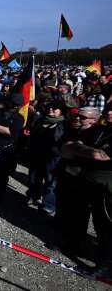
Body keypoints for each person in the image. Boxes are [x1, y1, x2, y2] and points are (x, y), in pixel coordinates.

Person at [59, 107, 112, 278]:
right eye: (109, 110)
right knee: (78, 214)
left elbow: (100, 155)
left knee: (104, 227)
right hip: (87, 181)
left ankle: (103, 265)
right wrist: (81, 149)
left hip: (106, 188)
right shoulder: (98, 130)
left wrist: (79, 149)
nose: (109, 113)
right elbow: (66, 149)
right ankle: (73, 244)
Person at [25, 101, 65, 214]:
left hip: (52, 158)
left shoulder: (63, 124)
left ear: (60, 111)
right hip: (37, 154)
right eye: (49, 108)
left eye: (55, 108)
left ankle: (49, 204)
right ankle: (33, 195)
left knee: (50, 182)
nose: (51, 110)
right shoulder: (40, 120)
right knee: (33, 178)